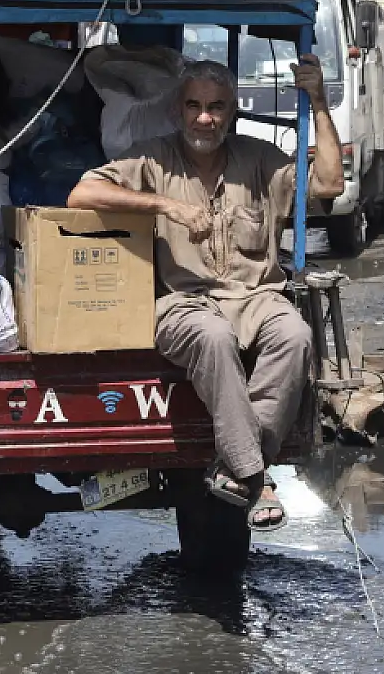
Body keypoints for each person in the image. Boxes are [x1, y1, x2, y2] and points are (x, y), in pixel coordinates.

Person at [65, 56, 346, 532]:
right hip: (184, 303)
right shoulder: (151, 157)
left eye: (216, 107)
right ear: (178, 110)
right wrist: (165, 206)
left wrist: (318, 101)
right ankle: (256, 475)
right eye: (194, 105)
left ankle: (234, 468)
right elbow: (80, 195)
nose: (204, 118)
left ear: (231, 112)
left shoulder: (258, 160)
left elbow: (330, 184)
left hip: (257, 299)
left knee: (296, 335)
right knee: (213, 337)